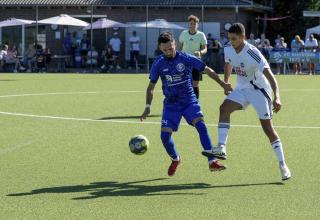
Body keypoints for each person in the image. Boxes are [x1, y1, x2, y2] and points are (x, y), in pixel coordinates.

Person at [202, 23, 291, 181]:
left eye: (234, 39)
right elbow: (228, 63)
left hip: (259, 91)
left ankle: (283, 164)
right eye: (229, 38)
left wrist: (277, 96)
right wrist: (226, 82)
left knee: (267, 128)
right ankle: (221, 147)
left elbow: (270, 75)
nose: (231, 42)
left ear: (242, 37)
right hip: (242, 88)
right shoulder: (229, 48)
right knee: (224, 108)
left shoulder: (253, 53)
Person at [140, 31, 232, 176]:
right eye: (165, 50)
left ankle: (212, 162)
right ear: (160, 48)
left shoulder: (186, 58)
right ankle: (175, 159)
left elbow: (207, 70)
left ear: (175, 44)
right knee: (164, 137)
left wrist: (223, 84)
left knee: (201, 125)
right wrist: (147, 107)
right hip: (171, 104)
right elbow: (151, 87)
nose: (168, 52)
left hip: (189, 100)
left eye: (170, 48)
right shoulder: (158, 63)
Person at [179, 15, 207, 99]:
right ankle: (183, 103)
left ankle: (195, 104)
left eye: (194, 24)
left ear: (197, 25)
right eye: (191, 23)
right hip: (184, 62)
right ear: (188, 24)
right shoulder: (183, 34)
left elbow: (205, 49)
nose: (192, 25)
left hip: (196, 62)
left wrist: (200, 52)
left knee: (195, 83)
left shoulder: (201, 35)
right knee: (183, 83)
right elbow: (180, 47)